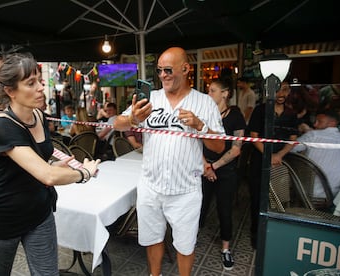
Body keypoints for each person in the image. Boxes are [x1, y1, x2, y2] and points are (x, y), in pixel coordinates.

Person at [0, 52, 100, 276]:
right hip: (2, 220)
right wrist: (84, 173)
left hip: (38, 214)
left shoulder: (39, 116)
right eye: (30, 83)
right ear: (10, 91)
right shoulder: (0, 126)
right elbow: (47, 176)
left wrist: (56, 165)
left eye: (40, 80)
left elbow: (41, 161)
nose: (41, 87)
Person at [113, 47, 225, 276]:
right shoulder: (150, 99)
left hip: (185, 190)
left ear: (185, 69)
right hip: (151, 186)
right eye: (159, 71)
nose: (163, 75)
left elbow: (220, 146)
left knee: (185, 244)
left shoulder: (204, 103)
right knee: (152, 237)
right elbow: (117, 124)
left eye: (168, 70)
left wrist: (200, 126)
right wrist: (133, 118)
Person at [200, 79, 246, 270]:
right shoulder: (204, 114)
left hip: (224, 170)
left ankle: (226, 248)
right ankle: (190, 238)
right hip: (203, 168)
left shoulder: (235, 116)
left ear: (225, 94)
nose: (208, 94)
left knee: (224, 208)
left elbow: (236, 149)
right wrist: (205, 165)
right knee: (198, 205)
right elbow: (196, 142)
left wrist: (214, 167)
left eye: (212, 91)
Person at [247, 80, 298, 249]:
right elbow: (254, 136)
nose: (281, 94)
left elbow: (292, 140)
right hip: (259, 161)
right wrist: (268, 155)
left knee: (279, 199)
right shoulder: (260, 110)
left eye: (285, 90)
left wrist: (279, 155)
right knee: (257, 199)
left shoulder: (291, 114)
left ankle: (275, 233)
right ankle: (256, 234)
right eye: (278, 90)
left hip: (279, 162)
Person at [292, 109, 340, 198]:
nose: (315, 124)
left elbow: (290, 149)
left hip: (306, 194)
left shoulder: (313, 135)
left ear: (332, 123)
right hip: (336, 197)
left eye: (319, 122)